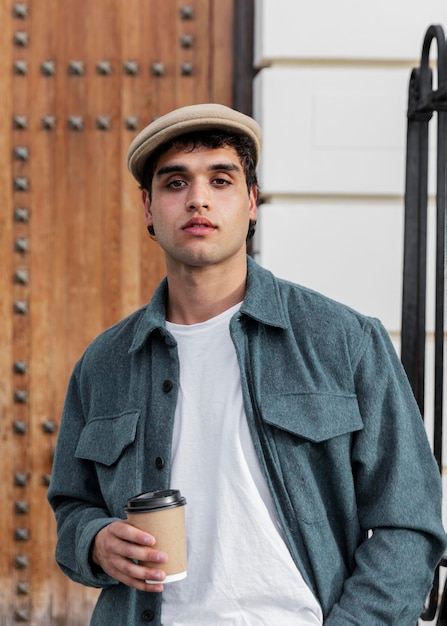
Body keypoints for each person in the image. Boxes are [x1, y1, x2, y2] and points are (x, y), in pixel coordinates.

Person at [48, 103, 446, 625]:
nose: (197, 199)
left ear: (252, 202)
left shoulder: (346, 341)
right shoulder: (104, 363)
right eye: (174, 184)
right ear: (147, 208)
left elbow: (409, 524)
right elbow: (72, 506)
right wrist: (95, 541)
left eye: (220, 180)